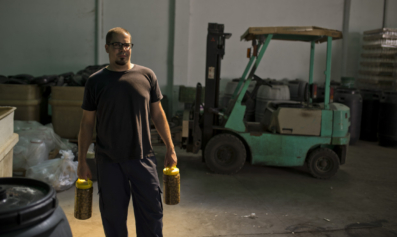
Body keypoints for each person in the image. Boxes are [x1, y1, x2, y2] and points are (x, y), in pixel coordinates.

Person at [77, 27, 177, 237]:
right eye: (117, 45)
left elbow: (158, 115)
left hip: (143, 158)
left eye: (127, 45)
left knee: (151, 216)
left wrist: (170, 147)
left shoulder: (146, 75)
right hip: (109, 161)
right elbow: (87, 123)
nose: (123, 49)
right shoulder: (96, 81)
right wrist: (82, 160)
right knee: (113, 220)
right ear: (107, 48)